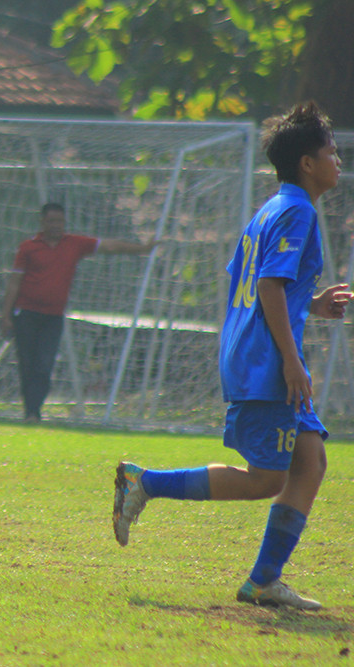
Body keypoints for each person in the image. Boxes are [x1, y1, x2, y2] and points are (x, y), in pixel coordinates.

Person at [113, 102, 350, 610]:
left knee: (309, 464)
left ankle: (264, 580)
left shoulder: (271, 208)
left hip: (255, 355)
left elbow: (257, 282)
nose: (337, 159)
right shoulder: (298, 211)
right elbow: (266, 284)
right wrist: (291, 360)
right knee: (268, 480)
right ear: (307, 163)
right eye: (330, 151)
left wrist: (311, 306)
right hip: (267, 363)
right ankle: (145, 482)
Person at [0, 203, 158, 422]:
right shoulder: (29, 247)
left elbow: (109, 246)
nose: (56, 225)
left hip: (53, 316)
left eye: (60, 221)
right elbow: (15, 281)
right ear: (43, 222)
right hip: (26, 313)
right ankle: (31, 412)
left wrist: (141, 249)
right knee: (27, 364)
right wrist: (6, 315)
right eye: (52, 221)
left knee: (45, 364)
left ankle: (34, 411)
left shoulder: (73, 244)